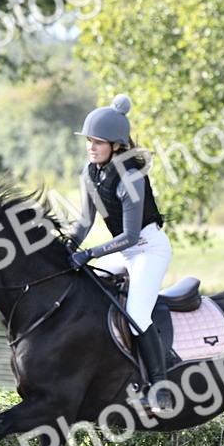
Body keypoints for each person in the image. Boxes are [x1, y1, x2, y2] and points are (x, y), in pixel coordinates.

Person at [68, 93, 175, 411]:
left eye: (98, 142)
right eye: (89, 141)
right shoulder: (90, 172)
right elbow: (85, 221)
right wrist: (68, 248)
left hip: (148, 249)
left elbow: (130, 236)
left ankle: (160, 388)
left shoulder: (131, 178)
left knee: (137, 314)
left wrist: (90, 253)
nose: (91, 147)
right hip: (126, 252)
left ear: (116, 145)